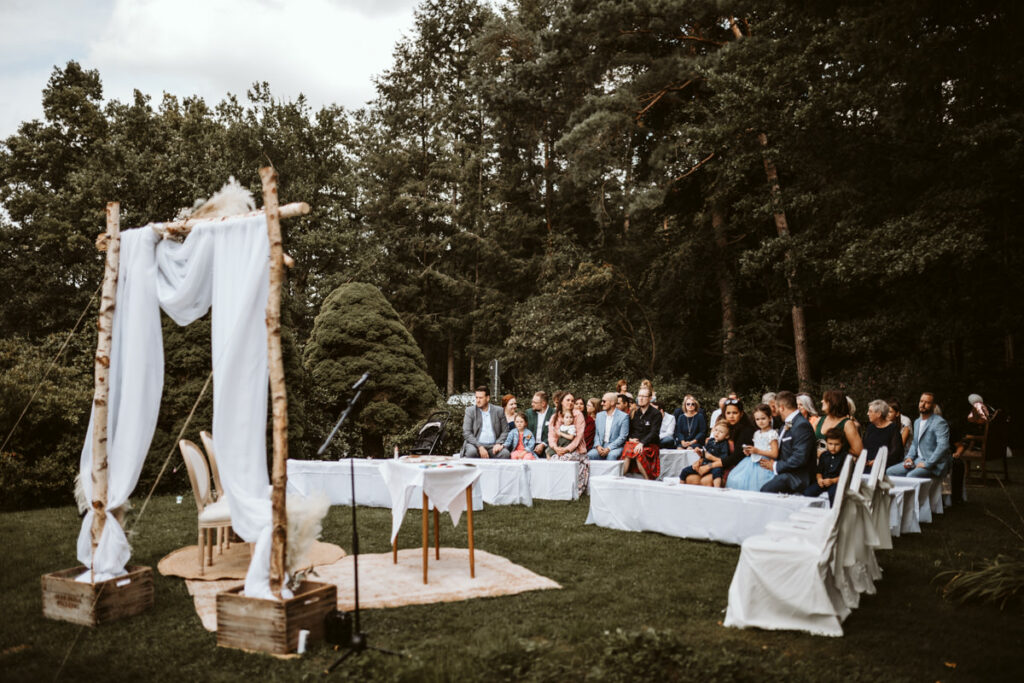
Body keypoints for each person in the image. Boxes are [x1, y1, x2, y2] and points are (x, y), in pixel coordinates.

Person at [759, 390, 816, 493]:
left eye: (776, 407)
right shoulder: (789, 423)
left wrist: (775, 466)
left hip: (796, 477)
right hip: (784, 472)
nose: (775, 410)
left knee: (765, 491)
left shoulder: (801, 425)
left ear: (781, 408)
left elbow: (799, 458)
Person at [887, 392, 951, 479]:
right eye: (921, 401)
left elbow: (943, 446)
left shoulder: (939, 422)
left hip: (934, 464)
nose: (923, 405)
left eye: (927, 402)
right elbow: (914, 443)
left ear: (934, 406)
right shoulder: (917, 422)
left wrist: (927, 464)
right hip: (917, 460)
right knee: (890, 471)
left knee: (911, 476)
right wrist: (909, 457)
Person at [726, 403, 779, 491]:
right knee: (735, 478)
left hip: (764, 464)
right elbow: (756, 448)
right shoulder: (757, 433)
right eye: (757, 419)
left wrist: (757, 451)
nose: (760, 421)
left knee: (757, 485)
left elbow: (775, 454)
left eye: (763, 418)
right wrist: (749, 451)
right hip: (752, 462)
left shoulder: (772, 434)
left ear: (770, 418)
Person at [546, 391, 589, 496]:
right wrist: (555, 448)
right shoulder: (554, 417)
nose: (571, 402)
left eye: (572, 401)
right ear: (561, 402)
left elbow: (578, 437)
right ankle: (556, 487)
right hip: (559, 448)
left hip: (576, 449)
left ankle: (569, 488)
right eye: (568, 400)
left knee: (563, 459)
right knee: (551, 458)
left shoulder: (578, 415)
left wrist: (566, 449)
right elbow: (552, 436)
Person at [622, 387, 662, 479]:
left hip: (650, 444)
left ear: (650, 398)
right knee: (627, 449)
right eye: (639, 396)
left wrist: (642, 443)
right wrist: (630, 438)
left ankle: (647, 480)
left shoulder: (656, 414)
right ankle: (621, 478)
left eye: (644, 396)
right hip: (634, 442)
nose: (640, 398)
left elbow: (654, 432)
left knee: (639, 452)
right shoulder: (634, 412)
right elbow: (629, 430)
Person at [461, 386, 510, 458]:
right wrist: (480, 446)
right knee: (471, 452)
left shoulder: (498, 411)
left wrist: (498, 443)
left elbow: (505, 430)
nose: (478, 400)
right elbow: (467, 432)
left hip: (493, 446)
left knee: (505, 454)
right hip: (475, 445)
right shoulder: (470, 411)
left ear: (487, 398)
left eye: (480, 398)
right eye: (476, 397)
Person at [803, 428, 848, 505]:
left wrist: (832, 481)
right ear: (826, 443)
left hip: (836, 482)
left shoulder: (845, 456)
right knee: (808, 492)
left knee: (834, 494)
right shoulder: (824, 455)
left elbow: (846, 475)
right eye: (830, 444)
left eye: (837, 444)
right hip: (823, 481)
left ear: (842, 444)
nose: (833, 447)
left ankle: (833, 511)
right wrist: (819, 479)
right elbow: (819, 471)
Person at [813, 390, 863, 459]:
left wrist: (835, 449)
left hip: (837, 464)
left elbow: (858, 451)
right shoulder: (819, 420)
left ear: (833, 402)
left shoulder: (847, 424)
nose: (822, 401)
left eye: (825, 400)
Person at [680, 422, 729, 487]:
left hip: (714, 466)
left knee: (717, 472)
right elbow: (704, 453)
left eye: (721, 432)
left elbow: (723, 459)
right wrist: (699, 452)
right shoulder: (710, 441)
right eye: (716, 430)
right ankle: (681, 486)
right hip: (704, 463)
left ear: (727, 436)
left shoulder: (724, 444)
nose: (717, 433)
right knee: (685, 470)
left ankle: (717, 488)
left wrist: (711, 457)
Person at [587, 392, 630, 460]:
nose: (602, 403)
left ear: (612, 403)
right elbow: (597, 434)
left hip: (616, 447)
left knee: (611, 455)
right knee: (590, 455)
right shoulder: (599, 415)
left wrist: (609, 448)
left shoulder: (624, 417)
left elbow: (622, 437)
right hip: (601, 445)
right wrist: (598, 446)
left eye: (604, 401)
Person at [863, 399, 903, 469]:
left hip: (884, 466)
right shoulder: (870, 428)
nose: (867, 414)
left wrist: (878, 461)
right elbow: (864, 446)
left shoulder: (893, 429)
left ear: (879, 414)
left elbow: (896, 453)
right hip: (867, 465)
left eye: (870, 411)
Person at [525, 391, 553, 459]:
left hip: (547, 445)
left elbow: (554, 434)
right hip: (532, 444)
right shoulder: (529, 413)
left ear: (543, 404)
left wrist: (543, 444)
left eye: (535, 402)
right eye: (532, 402)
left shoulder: (553, 413)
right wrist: (529, 443)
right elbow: (527, 431)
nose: (532, 404)